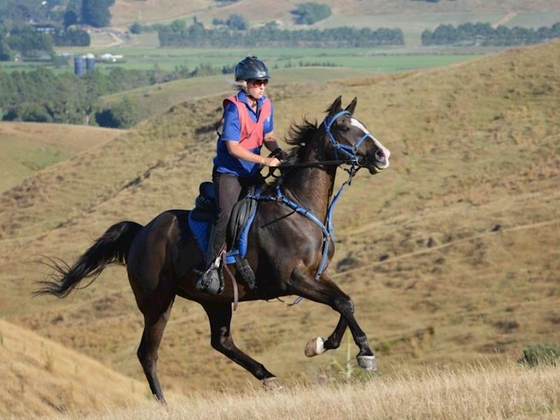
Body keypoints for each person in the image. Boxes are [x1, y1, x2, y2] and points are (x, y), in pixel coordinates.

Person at [197, 56, 286, 294]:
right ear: (245, 83)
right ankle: (211, 268)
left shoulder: (266, 105)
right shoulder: (234, 108)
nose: (262, 86)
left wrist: (277, 150)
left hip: (252, 172)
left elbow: (268, 136)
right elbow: (233, 147)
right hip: (229, 173)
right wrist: (266, 160)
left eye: (264, 81)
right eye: (257, 82)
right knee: (225, 214)